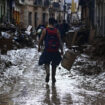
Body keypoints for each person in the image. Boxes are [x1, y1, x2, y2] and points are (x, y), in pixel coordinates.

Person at [38, 18, 63, 83]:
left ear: (48, 23)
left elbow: (41, 39)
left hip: (47, 49)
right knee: (54, 64)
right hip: (55, 50)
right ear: (54, 23)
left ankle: (48, 73)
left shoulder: (45, 30)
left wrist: (39, 46)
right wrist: (62, 50)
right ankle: (53, 77)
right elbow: (60, 41)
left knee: (46, 62)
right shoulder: (56, 30)